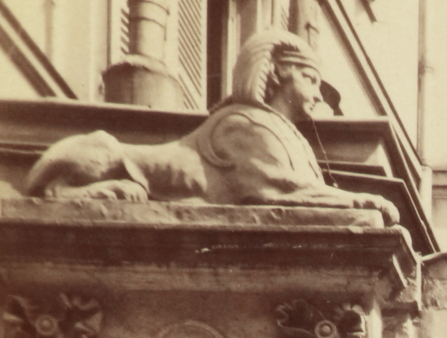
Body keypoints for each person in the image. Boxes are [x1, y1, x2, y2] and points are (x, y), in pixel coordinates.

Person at [22, 29, 395, 218]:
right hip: (108, 160)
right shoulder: (242, 126)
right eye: (310, 80)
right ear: (279, 73)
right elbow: (283, 192)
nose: (317, 95)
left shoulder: (275, 130)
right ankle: (63, 192)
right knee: (103, 148)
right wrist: (359, 200)